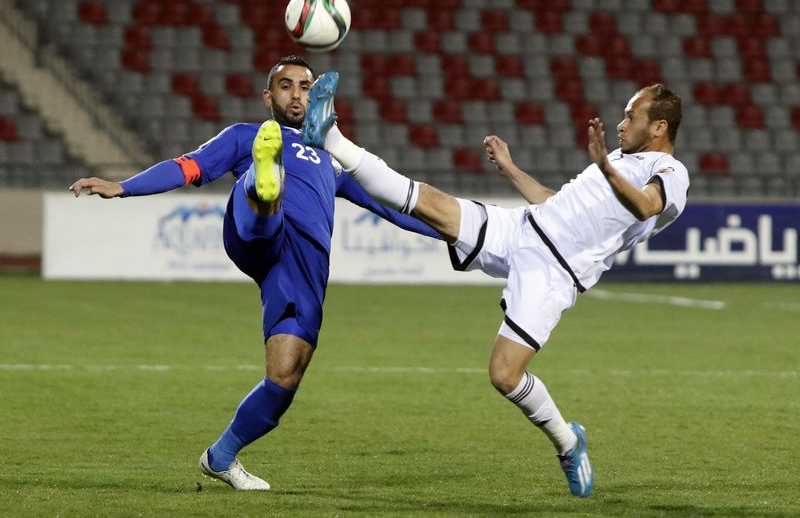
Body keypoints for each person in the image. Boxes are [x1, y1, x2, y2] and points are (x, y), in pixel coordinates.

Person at [303, 76, 689, 498]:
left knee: (504, 375)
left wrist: (605, 166)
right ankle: (333, 137)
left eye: (631, 116)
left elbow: (647, 204)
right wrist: (511, 170)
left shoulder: (669, 172)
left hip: (553, 271)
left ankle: (567, 440)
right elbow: (554, 203)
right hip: (523, 230)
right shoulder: (616, 159)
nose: (620, 123)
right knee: (429, 202)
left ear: (658, 128)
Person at [69, 56, 440, 490]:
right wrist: (124, 186)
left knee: (285, 378)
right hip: (255, 234)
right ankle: (265, 183)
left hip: (299, 268)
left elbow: (395, 207)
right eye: (286, 86)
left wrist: (459, 235)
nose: (297, 94)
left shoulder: (333, 157)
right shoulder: (244, 136)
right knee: (265, 199)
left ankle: (220, 457)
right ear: (269, 96)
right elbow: (186, 167)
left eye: (306, 86)